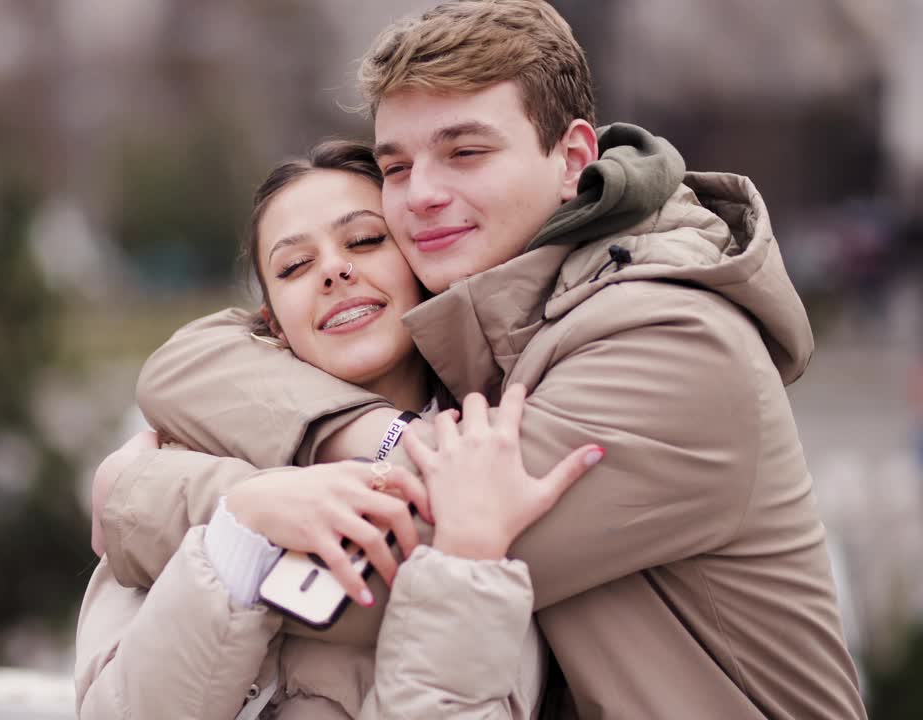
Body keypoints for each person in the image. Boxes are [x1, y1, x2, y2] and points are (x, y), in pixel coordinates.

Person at [94, 1, 868, 718]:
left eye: (464, 150)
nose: (422, 194)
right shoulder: (497, 321)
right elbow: (193, 355)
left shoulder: (670, 340)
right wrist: (365, 434)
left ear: (572, 159)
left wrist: (146, 492)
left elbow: (360, 579)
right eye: (396, 167)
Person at [74, 141, 601, 719]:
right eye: (295, 266)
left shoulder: (487, 467)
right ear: (272, 323)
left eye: (366, 240)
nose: (334, 270)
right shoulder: (184, 468)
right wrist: (240, 532)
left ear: (420, 261)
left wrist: (462, 562)